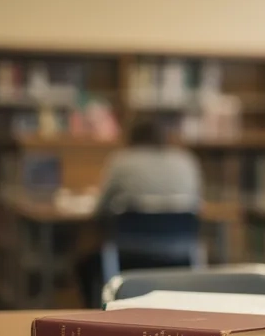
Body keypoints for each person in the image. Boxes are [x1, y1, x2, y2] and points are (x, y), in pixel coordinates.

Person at [76, 121, 203, 306]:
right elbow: (197, 204)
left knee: (86, 262)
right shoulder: (186, 161)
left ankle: (95, 313)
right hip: (180, 251)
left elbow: (100, 209)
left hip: (130, 250)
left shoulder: (122, 161)